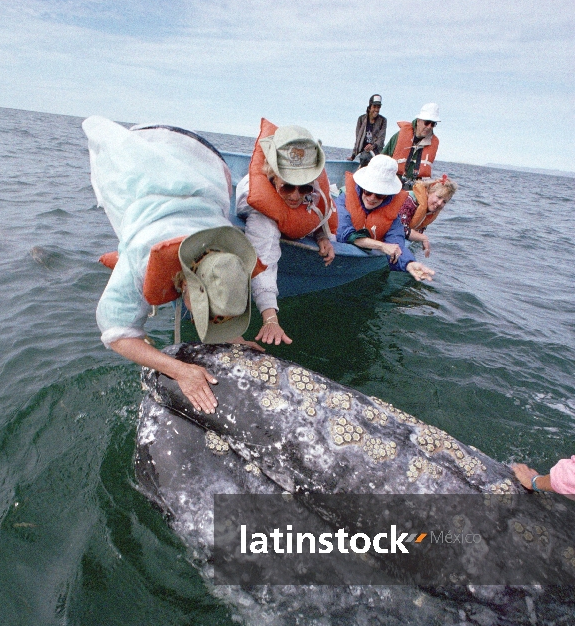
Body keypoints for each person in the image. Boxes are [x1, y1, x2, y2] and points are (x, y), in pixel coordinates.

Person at [83, 116, 263, 415]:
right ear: (183, 283)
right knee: (130, 270)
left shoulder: (230, 244)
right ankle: (125, 271)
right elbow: (116, 333)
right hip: (133, 167)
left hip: (199, 164)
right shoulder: (142, 255)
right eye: (207, 313)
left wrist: (235, 339)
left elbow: (218, 281)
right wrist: (179, 370)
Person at [236, 119, 337, 345]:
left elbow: (319, 210)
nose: (295, 196)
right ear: (272, 177)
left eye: (304, 187)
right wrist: (270, 317)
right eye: (288, 186)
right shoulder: (255, 201)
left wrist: (322, 236)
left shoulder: (311, 190)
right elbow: (264, 254)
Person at [335, 154, 435, 282]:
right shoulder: (344, 200)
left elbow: (396, 244)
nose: (372, 198)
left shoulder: (392, 216)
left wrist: (409, 263)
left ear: (387, 195)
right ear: (362, 187)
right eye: (368, 191)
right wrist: (382, 246)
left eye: (379, 195)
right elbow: (344, 232)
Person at [398, 174, 458, 257]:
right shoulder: (408, 200)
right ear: (429, 191)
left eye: (444, 201)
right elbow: (400, 229)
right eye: (438, 197)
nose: (439, 203)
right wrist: (423, 238)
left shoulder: (429, 210)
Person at [383, 103, 440, 189]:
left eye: (433, 124)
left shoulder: (433, 143)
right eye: (427, 123)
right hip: (392, 184)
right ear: (418, 121)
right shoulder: (399, 136)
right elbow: (382, 158)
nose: (429, 127)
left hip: (414, 190)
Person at [348, 94, 387, 167]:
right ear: (369, 107)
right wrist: (353, 155)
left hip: (376, 151)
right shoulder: (361, 119)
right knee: (364, 157)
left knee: (366, 158)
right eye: (374, 106)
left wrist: (373, 145)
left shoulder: (383, 120)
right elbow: (358, 139)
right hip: (363, 151)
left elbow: (381, 138)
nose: (376, 110)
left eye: (378, 107)